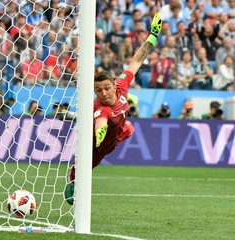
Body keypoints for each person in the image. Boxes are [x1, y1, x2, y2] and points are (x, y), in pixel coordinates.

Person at [64, 13, 163, 205]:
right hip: (99, 143)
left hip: (118, 130)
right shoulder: (101, 108)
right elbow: (101, 120)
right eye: (98, 91)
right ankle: (71, 182)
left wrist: (152, 36)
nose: (103, 93)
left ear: (113, 84)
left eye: (106, 88)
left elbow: (136, 61)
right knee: (84, 169)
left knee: (125, 126)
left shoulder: (121, 84)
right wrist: (100, 130)